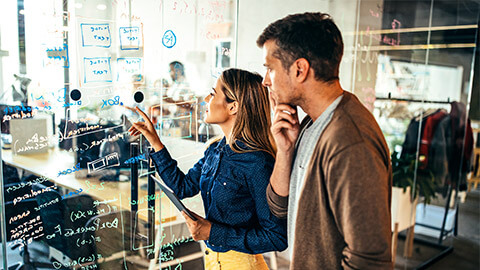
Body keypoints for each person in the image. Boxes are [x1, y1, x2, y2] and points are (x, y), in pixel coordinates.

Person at [257, 12, 392, 269]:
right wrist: (286, 150)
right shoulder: (310, 123)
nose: (265, 81)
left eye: (269, 69)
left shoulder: (350, 141)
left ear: (299, 69)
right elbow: (279, 209)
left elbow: (370, 261)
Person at [129, 68, 287, 269]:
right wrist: (155, 142)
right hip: (212, 260)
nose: (205, 99)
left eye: (213, 93)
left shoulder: (257, 162)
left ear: (233, 107)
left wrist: (213, 232)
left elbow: (276, 237)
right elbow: (182, 187)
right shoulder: (215, 149)